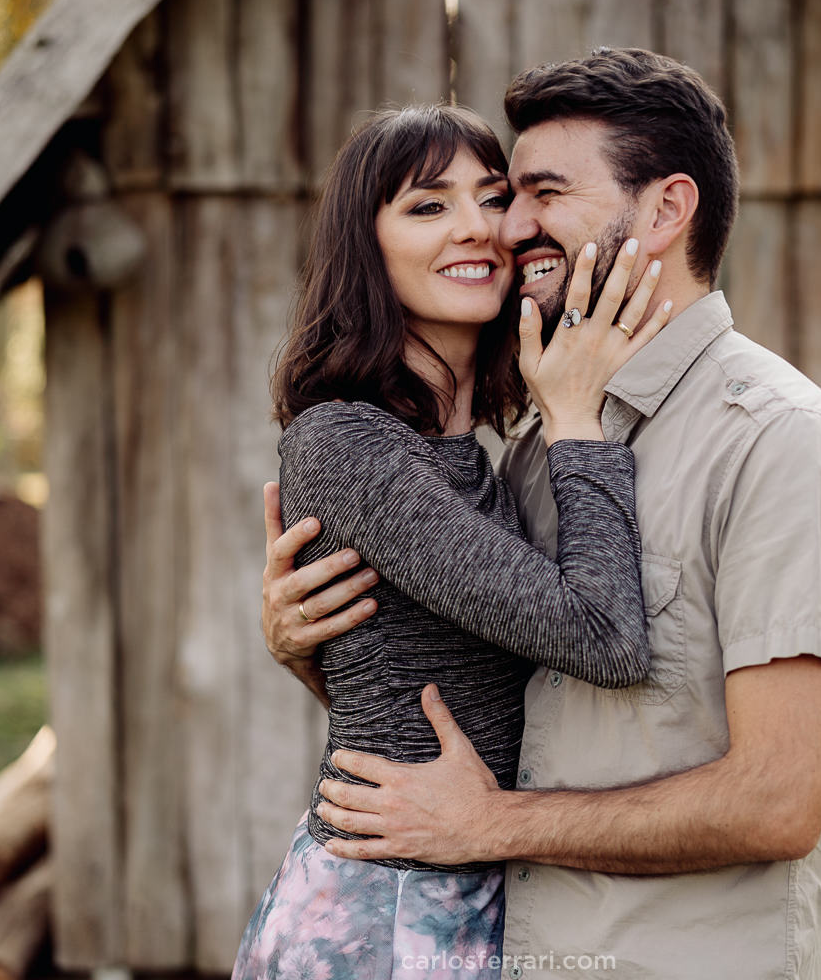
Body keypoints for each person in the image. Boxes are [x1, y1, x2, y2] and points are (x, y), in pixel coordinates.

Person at [261, 49, 821, 979]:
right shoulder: (538, 441)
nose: (507, 227)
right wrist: (313, 652)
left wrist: (491, 825)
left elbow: (780, 802)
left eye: (536, 193)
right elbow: (462, 704)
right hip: (489, 945)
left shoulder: (778, 442)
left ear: (668, 211)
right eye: (490, 197)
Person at [230, 103, 674, 980]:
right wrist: (579, 422)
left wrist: (297, 652)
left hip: (468, 896)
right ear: (369, 246)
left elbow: (413, 670)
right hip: (384, 916)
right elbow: (606, 638)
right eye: (428, 206)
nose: (477, 228)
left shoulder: (480, 453)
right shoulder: (345, 443)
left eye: (492, 196)